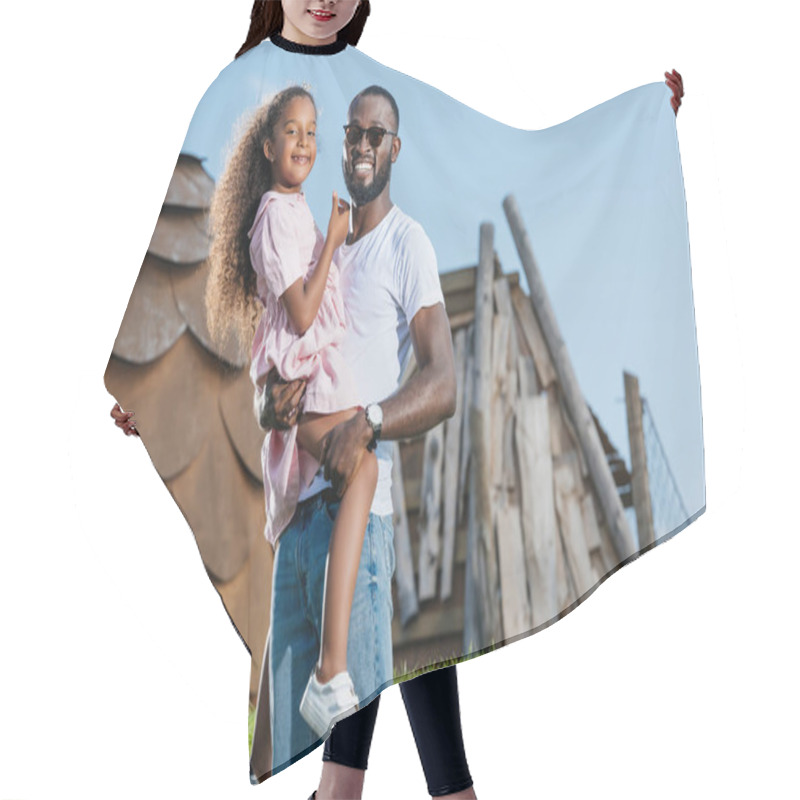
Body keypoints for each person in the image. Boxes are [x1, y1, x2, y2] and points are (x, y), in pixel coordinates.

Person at [110, 2, 686, 797]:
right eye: (337, 135)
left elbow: (498, 164)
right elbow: (219, 297)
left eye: (360, 134)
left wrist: (639, 123)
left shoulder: (386, 178)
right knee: (372, 725)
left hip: (371, 507)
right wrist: (155, 391)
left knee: (381, 732)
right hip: (309, 498)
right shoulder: (241, 94)